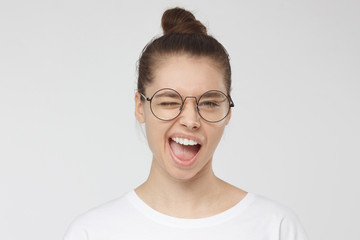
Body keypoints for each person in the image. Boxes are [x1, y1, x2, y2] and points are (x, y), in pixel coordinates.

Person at [64, 7, 308, 240]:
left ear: (228, 112)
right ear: (140, 107)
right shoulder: (92, 233)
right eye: (169, 102)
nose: (191, 121)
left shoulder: (275, 227)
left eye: (209, 103)